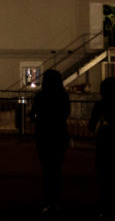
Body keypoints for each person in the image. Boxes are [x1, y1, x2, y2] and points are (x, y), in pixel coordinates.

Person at [31, 68, 70, 215]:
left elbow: (33, 114)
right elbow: (66, 112)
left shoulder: (40, 96)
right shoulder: (63, 95)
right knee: (57, 168)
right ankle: (56, 200)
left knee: (47, 169)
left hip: (44, 134)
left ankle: (48, 201)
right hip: (59, 134)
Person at [89, 76, 115, 219]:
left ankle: (104, 205)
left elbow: (91, 126)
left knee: (104, 173)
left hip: (106, 137)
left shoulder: (100, 105)